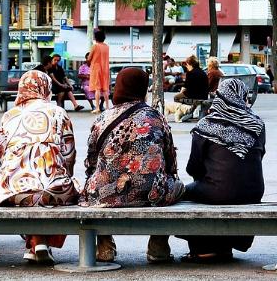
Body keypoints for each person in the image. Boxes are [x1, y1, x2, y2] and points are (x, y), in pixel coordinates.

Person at [80, 68, 185, 263]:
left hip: (105, 193)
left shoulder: (103, 118)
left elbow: (91, 162)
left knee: (97, 186)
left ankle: (105, 245)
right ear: (142, 89)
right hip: (150, 194)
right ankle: (158, 244)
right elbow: (171, 160)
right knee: (176, 187)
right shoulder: (155, 117)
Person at [0, 70, 81, 264]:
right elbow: (69, 156)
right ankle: (42, 241)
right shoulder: (58, 112)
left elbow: (2, 157)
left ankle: (35, 242)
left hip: (12, 190)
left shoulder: (8, 116)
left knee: (31, 194)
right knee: (66, 187)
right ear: (46, 88)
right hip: (52, 190)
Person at [179, 77, 265, 263]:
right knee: (222, 191)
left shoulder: (206, 124)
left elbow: (193, 166)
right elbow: (258, 157)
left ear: (219, 96)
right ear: (243, 97)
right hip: (253, 191)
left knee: (185, 193)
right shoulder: (257, 124)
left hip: (217, 191)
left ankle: (204, 248)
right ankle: (225, 246)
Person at [173, 55, 209, 121]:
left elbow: (186, 87)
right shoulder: (203, 72)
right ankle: (191, 111)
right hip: (204, 95)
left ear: (189, 64)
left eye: (186, 64)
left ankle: (186, 111)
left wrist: (181, 93)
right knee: (188, 96)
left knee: (176, 97)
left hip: (192, 94)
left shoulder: (190, 73)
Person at [87, 29, 110, 114]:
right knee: (105, 89)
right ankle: (107, 107)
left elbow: (89, 58)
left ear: (96, 37)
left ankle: (97, 107)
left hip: (96, 68)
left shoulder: (95, 46)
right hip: (105, 68)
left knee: (97, 88)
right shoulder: (107, 46)